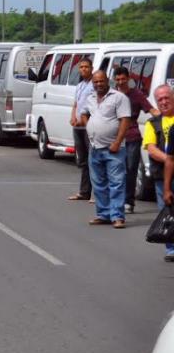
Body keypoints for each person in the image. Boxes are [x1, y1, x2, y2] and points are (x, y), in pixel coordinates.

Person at [80, 70, 131, 229]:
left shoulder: (119, 97)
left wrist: (117, 142)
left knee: (116, 183)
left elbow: (125, 121)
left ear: (107, 81)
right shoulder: (91, 98)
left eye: (101, 81)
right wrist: (89, 126)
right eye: (95, 82)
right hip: (95, 148)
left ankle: (117, 216)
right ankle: (103, 214)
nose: (98, 84)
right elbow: (83, 113)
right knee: (99, 183)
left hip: (113, 148)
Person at [113, 66, 159, 213]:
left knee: (131, 169)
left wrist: (166, 116)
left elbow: (151, 110)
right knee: (115, 170)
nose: (120, 82)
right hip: (114, 138)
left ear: (128, 79)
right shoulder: (111, 95)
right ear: (115, 80)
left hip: (132, 137)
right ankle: (114, 199)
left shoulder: (136, 95)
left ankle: (128, 202)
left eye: (123, 79)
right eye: (118, 79)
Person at [146, 85, 174, 261]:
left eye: (167, 97)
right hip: (161, 175)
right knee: (167, 211)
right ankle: (171, 247)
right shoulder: (152, 123)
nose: (164, 102)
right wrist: (169, 160)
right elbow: (151, 148)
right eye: (160, 99)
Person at [69, 58, 96, 201]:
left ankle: (95, 193)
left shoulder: (94, 85)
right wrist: (73, 117)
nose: (84, 69)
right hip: (78, 127)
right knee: (83, 160)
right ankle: (84, 191)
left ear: (91, 68)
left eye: (86, 67)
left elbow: (95, 107)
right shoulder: (79, 85)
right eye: (81, 67)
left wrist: (83, 120)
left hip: (88, 126)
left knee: (93, 160)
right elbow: (75, 104)